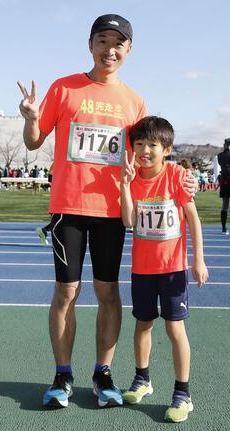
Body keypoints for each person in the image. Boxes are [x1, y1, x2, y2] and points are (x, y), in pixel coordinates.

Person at [17, 14, 197, 410]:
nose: (109, 49)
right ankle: (62, 376)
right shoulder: (64, 88)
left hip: (114, 211)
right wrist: (31, 119)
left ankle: (104, 374)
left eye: (118, 43)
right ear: (90, 45)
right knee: (66, 291)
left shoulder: (134, 101)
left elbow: (150, 155)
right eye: (102, 41)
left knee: (108, 293)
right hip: (68, 208)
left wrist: (184, 177)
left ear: (128, 50)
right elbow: (33, 143)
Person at [120, 116, 208, 422]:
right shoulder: (131, 177)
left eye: (152, 145)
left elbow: (193, 219)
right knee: (143, 324)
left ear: (167, 149)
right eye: (139, 144)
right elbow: (129, 221)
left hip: (172, 270)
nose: (144, 150)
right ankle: (142, 379)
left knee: (174, 328)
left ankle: (183, 393)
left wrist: (198, 259)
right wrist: (125, 185)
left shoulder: (176, 176)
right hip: (142, 269)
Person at [36, 162, 54, 245]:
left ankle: (44, 231)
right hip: (60, 200)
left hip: (57, 198)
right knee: (63, 221)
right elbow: (51, 179)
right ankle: (44, 230)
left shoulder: (54, 165)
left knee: (59, 221)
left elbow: (50, 179)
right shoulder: (57, 164)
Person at [217, 138, 230, 235]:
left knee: (225, 206)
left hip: (225, 182)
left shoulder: (220, 156)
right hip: (226, 180)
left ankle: (224, 228)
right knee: (224, 206)